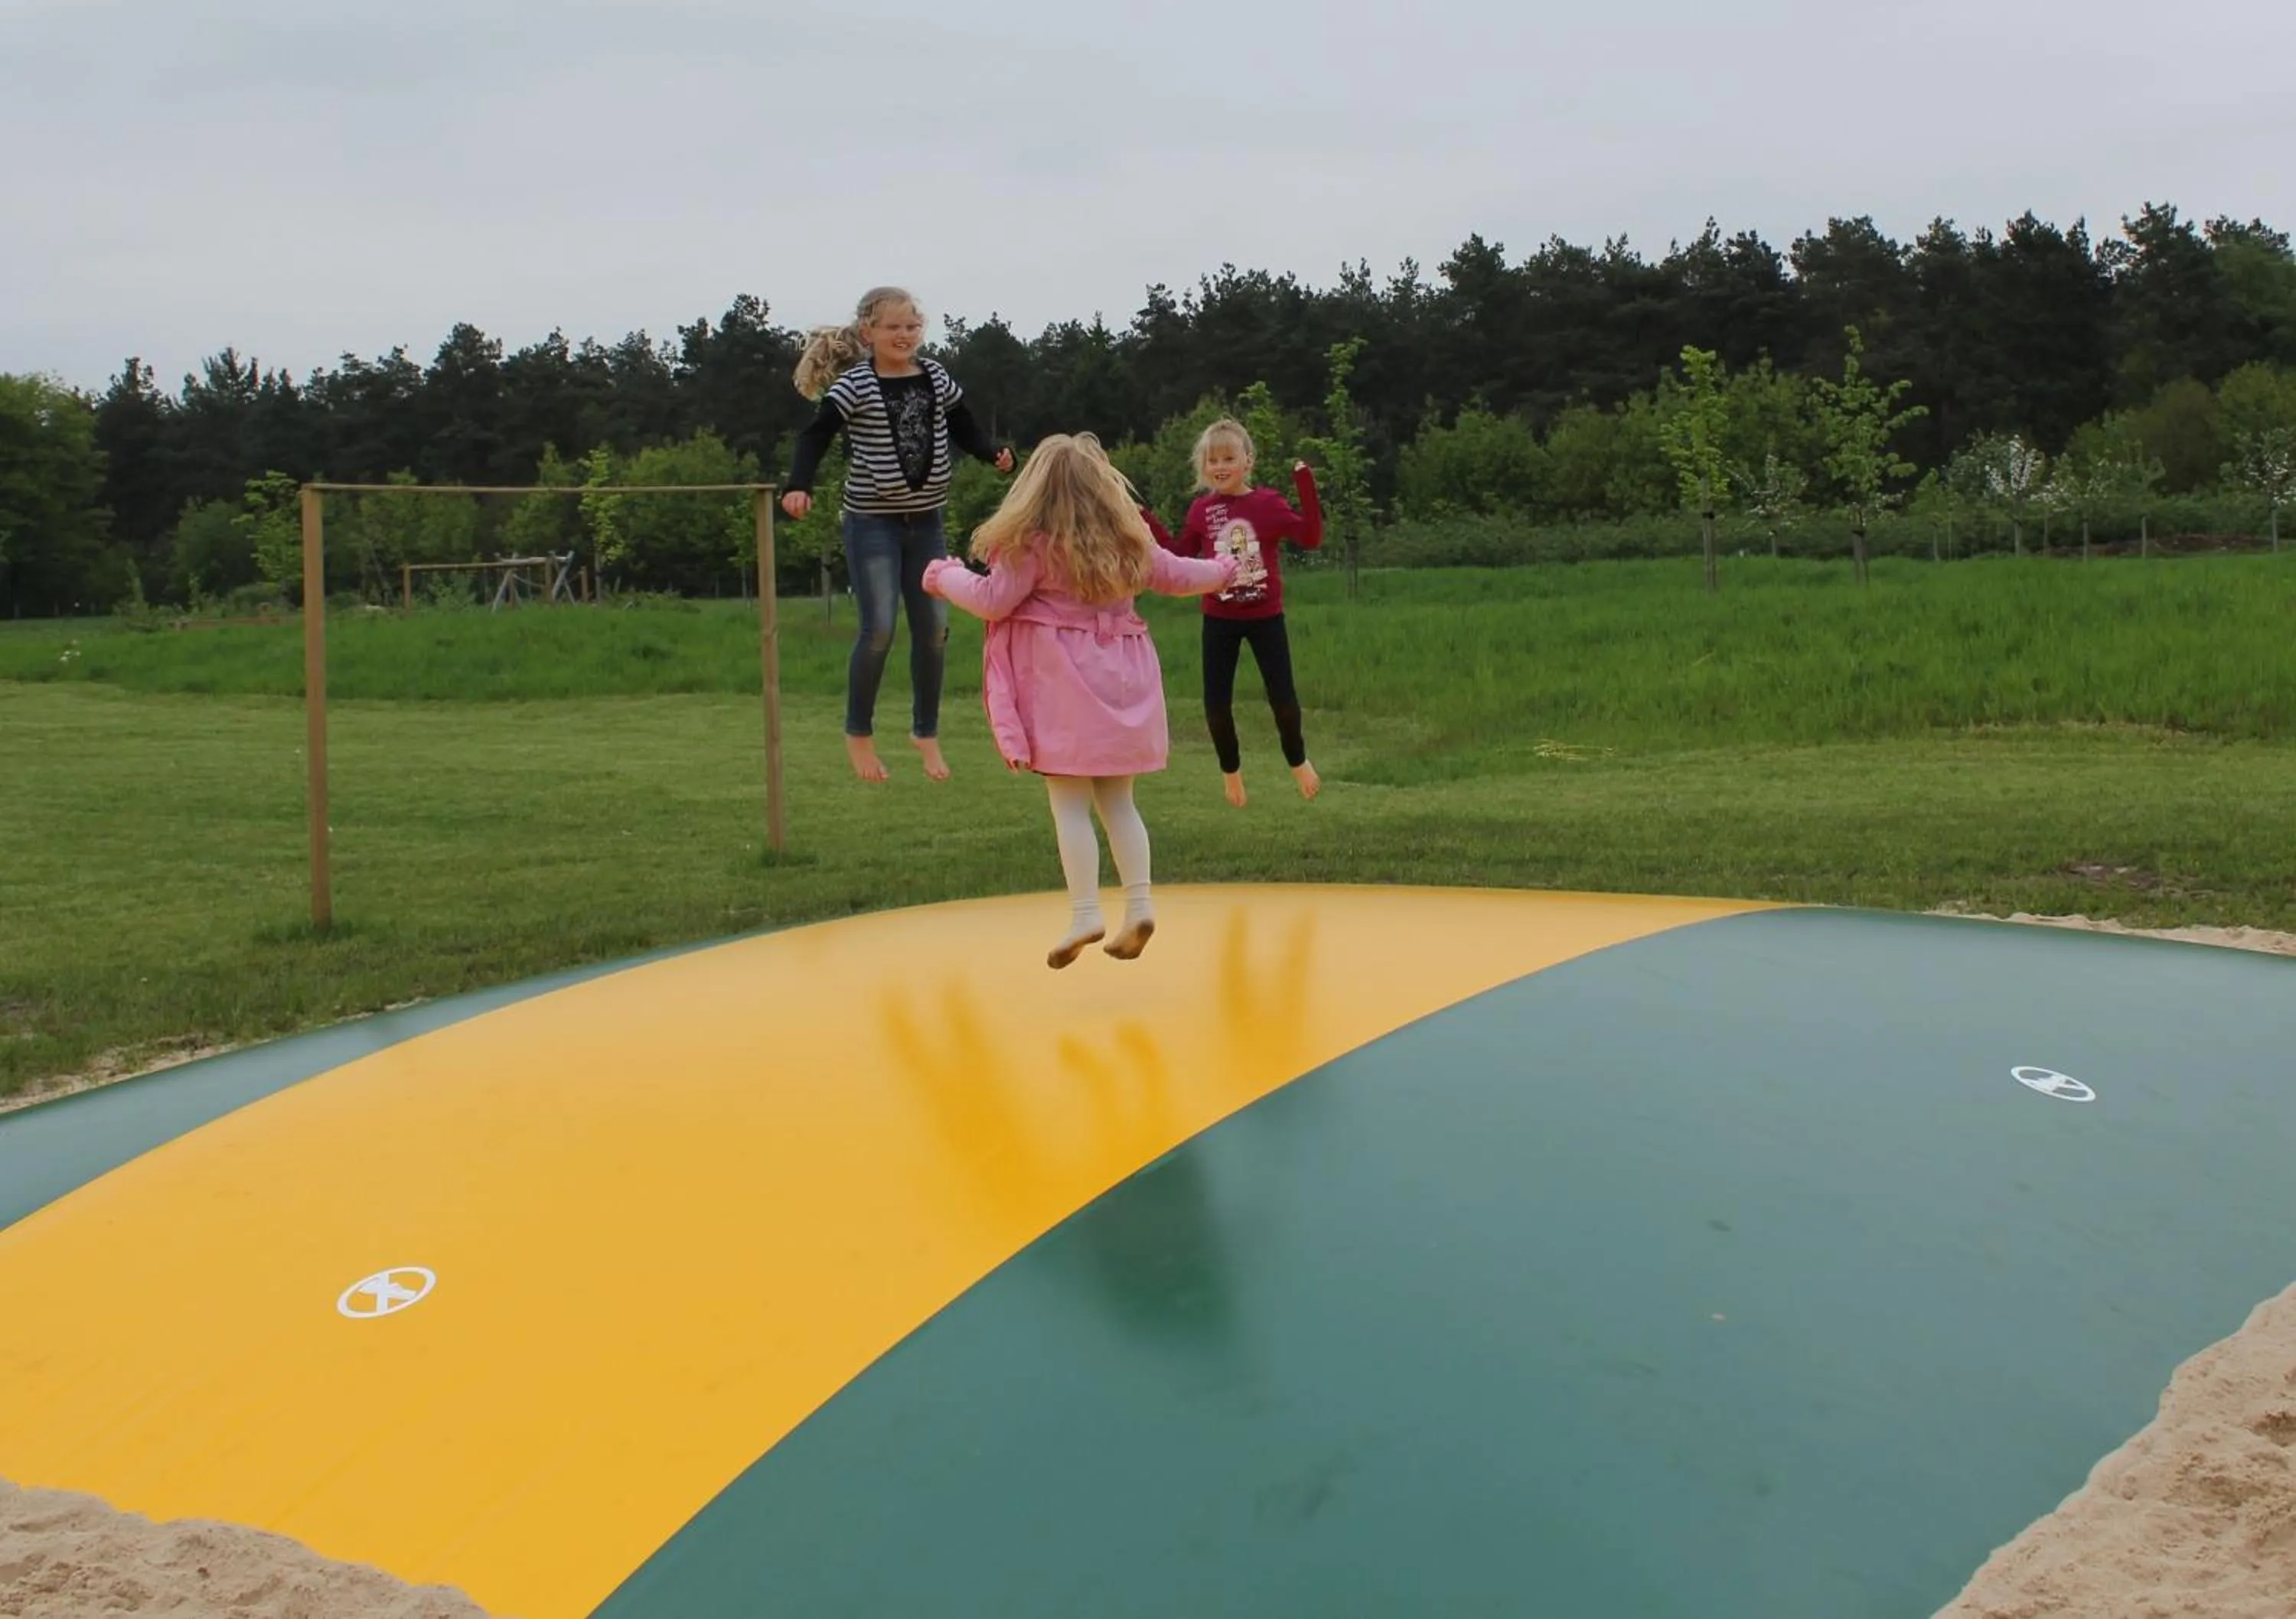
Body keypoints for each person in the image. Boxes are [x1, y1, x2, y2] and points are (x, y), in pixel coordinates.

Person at [924, 434, 1238, 968]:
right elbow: (1183, 576)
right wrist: (1225, 568)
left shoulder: (1032, 545)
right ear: (1104, 486)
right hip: (1125, 680)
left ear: (1034, 490)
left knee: (1069, 801)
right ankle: (1139, 904)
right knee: (1119, 802)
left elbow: (991, 600)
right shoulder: (1129, 541)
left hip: (1063, 686)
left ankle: (1086, 912)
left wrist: (942, 574)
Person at [782, 286, 1013, 783]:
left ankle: (925, 733)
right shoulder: (856, 386)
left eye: (912, 326)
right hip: (872, 525)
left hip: (926, 522)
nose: (904, 335)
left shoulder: (935, 377)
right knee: (880, 628)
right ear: (869, 333)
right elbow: (815, 435)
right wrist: (798, 485)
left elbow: (963, 424)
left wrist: (991, 452)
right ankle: (859, 735)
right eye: (893, 327)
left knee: (934, 629)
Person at [1164, 419, 1323, 806]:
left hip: (1266, 617)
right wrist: (1141, 517)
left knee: (1283, 699)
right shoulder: (1202, 511)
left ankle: (1298, 760)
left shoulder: (1267, 504)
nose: (1220, 466)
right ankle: (1231, 772)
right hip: (1219, 619)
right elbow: (1177, 554)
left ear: (1247, 462)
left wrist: (1305, 485)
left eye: (1229, 458)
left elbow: (1311, 537)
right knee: (1216, 706)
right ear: (1203, 466)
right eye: (1212, 459)